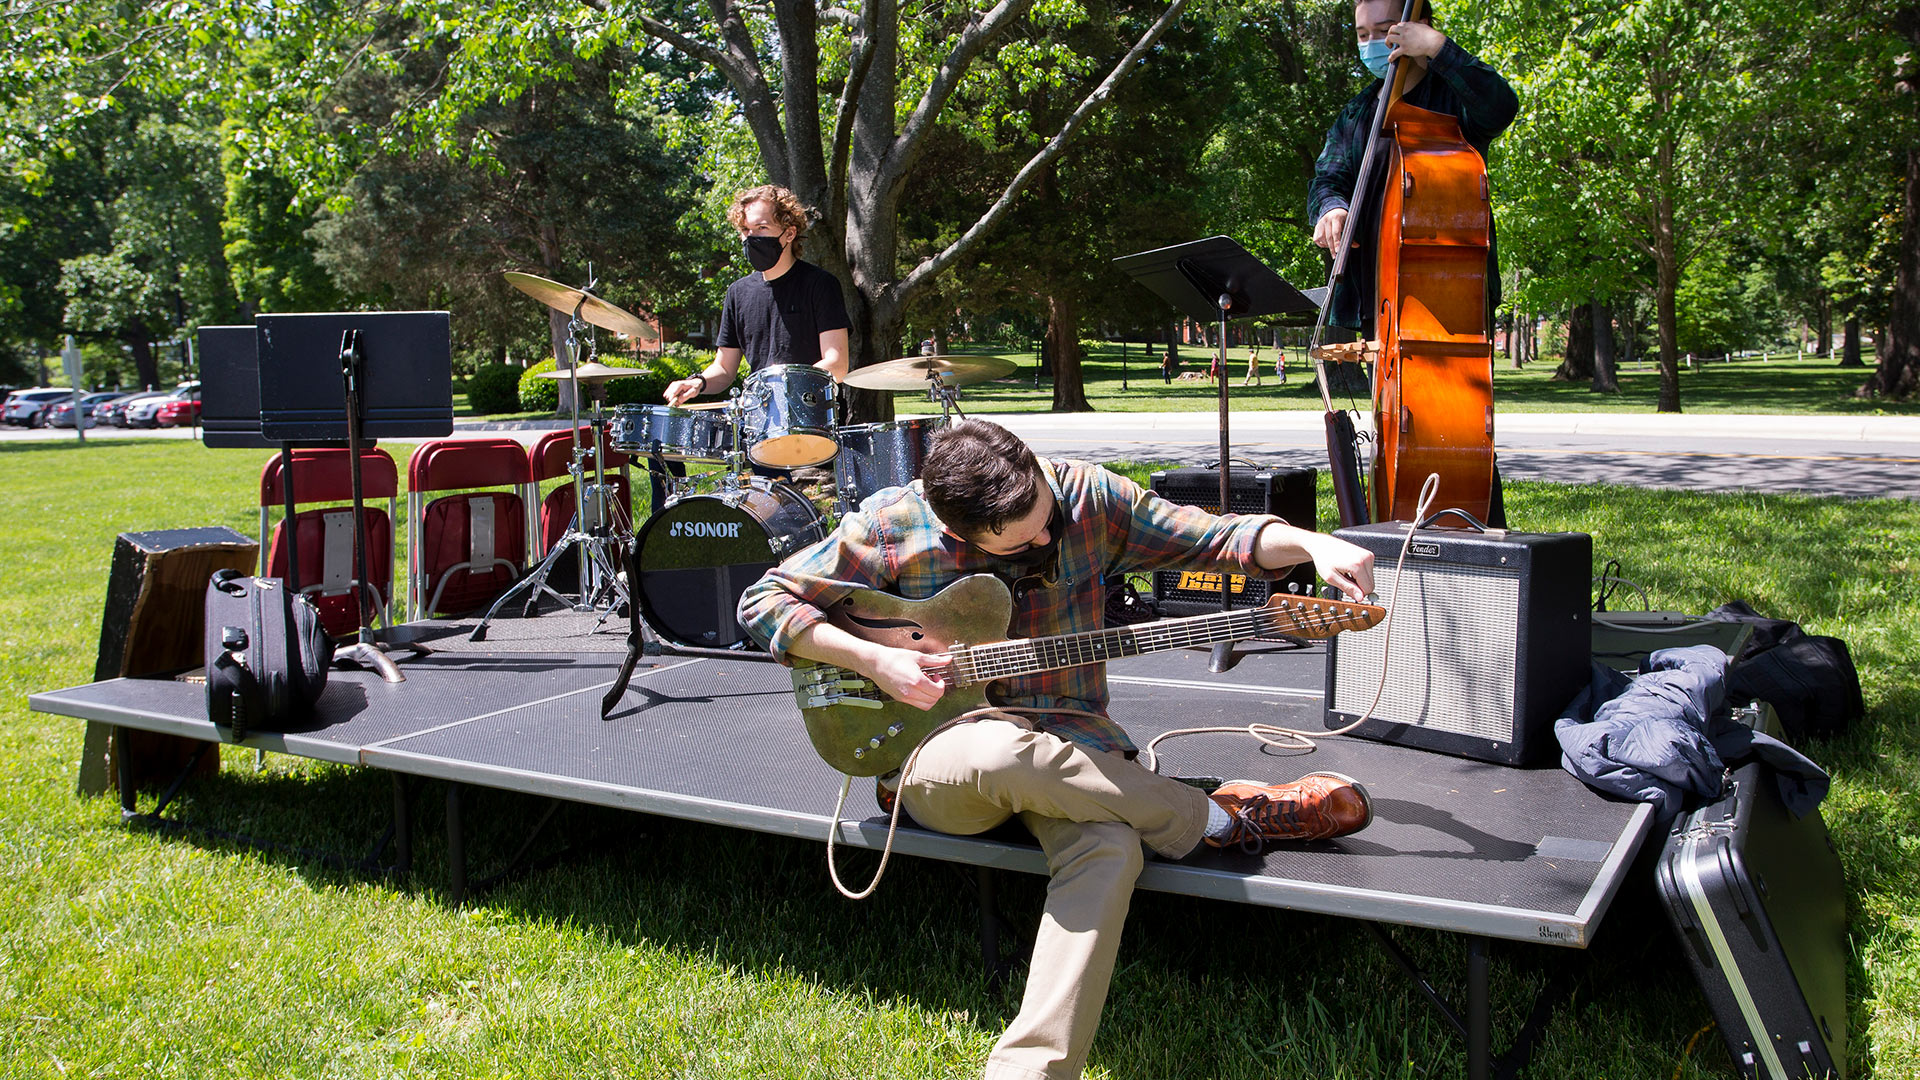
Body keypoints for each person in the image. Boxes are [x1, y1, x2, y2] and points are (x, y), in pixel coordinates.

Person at [737, 419, 1378, 1080]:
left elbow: (1217, 536)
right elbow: (763, 600)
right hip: (934, 754)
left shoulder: (1086, 497)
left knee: (1110, 845)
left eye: (1047, 517)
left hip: (1074, 745)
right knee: (1000, 752)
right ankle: (1216, 818)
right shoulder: (893, 527)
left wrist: (1309, 543)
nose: (1048, 537)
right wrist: (872, 659)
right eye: (1024, 538)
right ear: (960, 530)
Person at [1307, 0, 1517, 338]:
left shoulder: (1455, 99)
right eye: (1363, 34)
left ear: (1419, 25)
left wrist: (1439, 47)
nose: (1372, 42)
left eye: (1383, 30)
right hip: (1378, 294)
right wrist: (1331, 207)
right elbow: (1327, 177)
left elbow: (1501, 106)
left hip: (1454, 296)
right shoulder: (1356, 112)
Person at [664, 185, 851, 406]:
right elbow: (724, 368)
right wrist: (698, 382)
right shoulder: (737, 293)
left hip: (812, 419)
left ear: (789, 233)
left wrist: (775, 388)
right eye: (745, 230)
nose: (751, 238)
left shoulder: (820, 284)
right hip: (760, 425)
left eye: (761, 228)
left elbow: (836, 364)